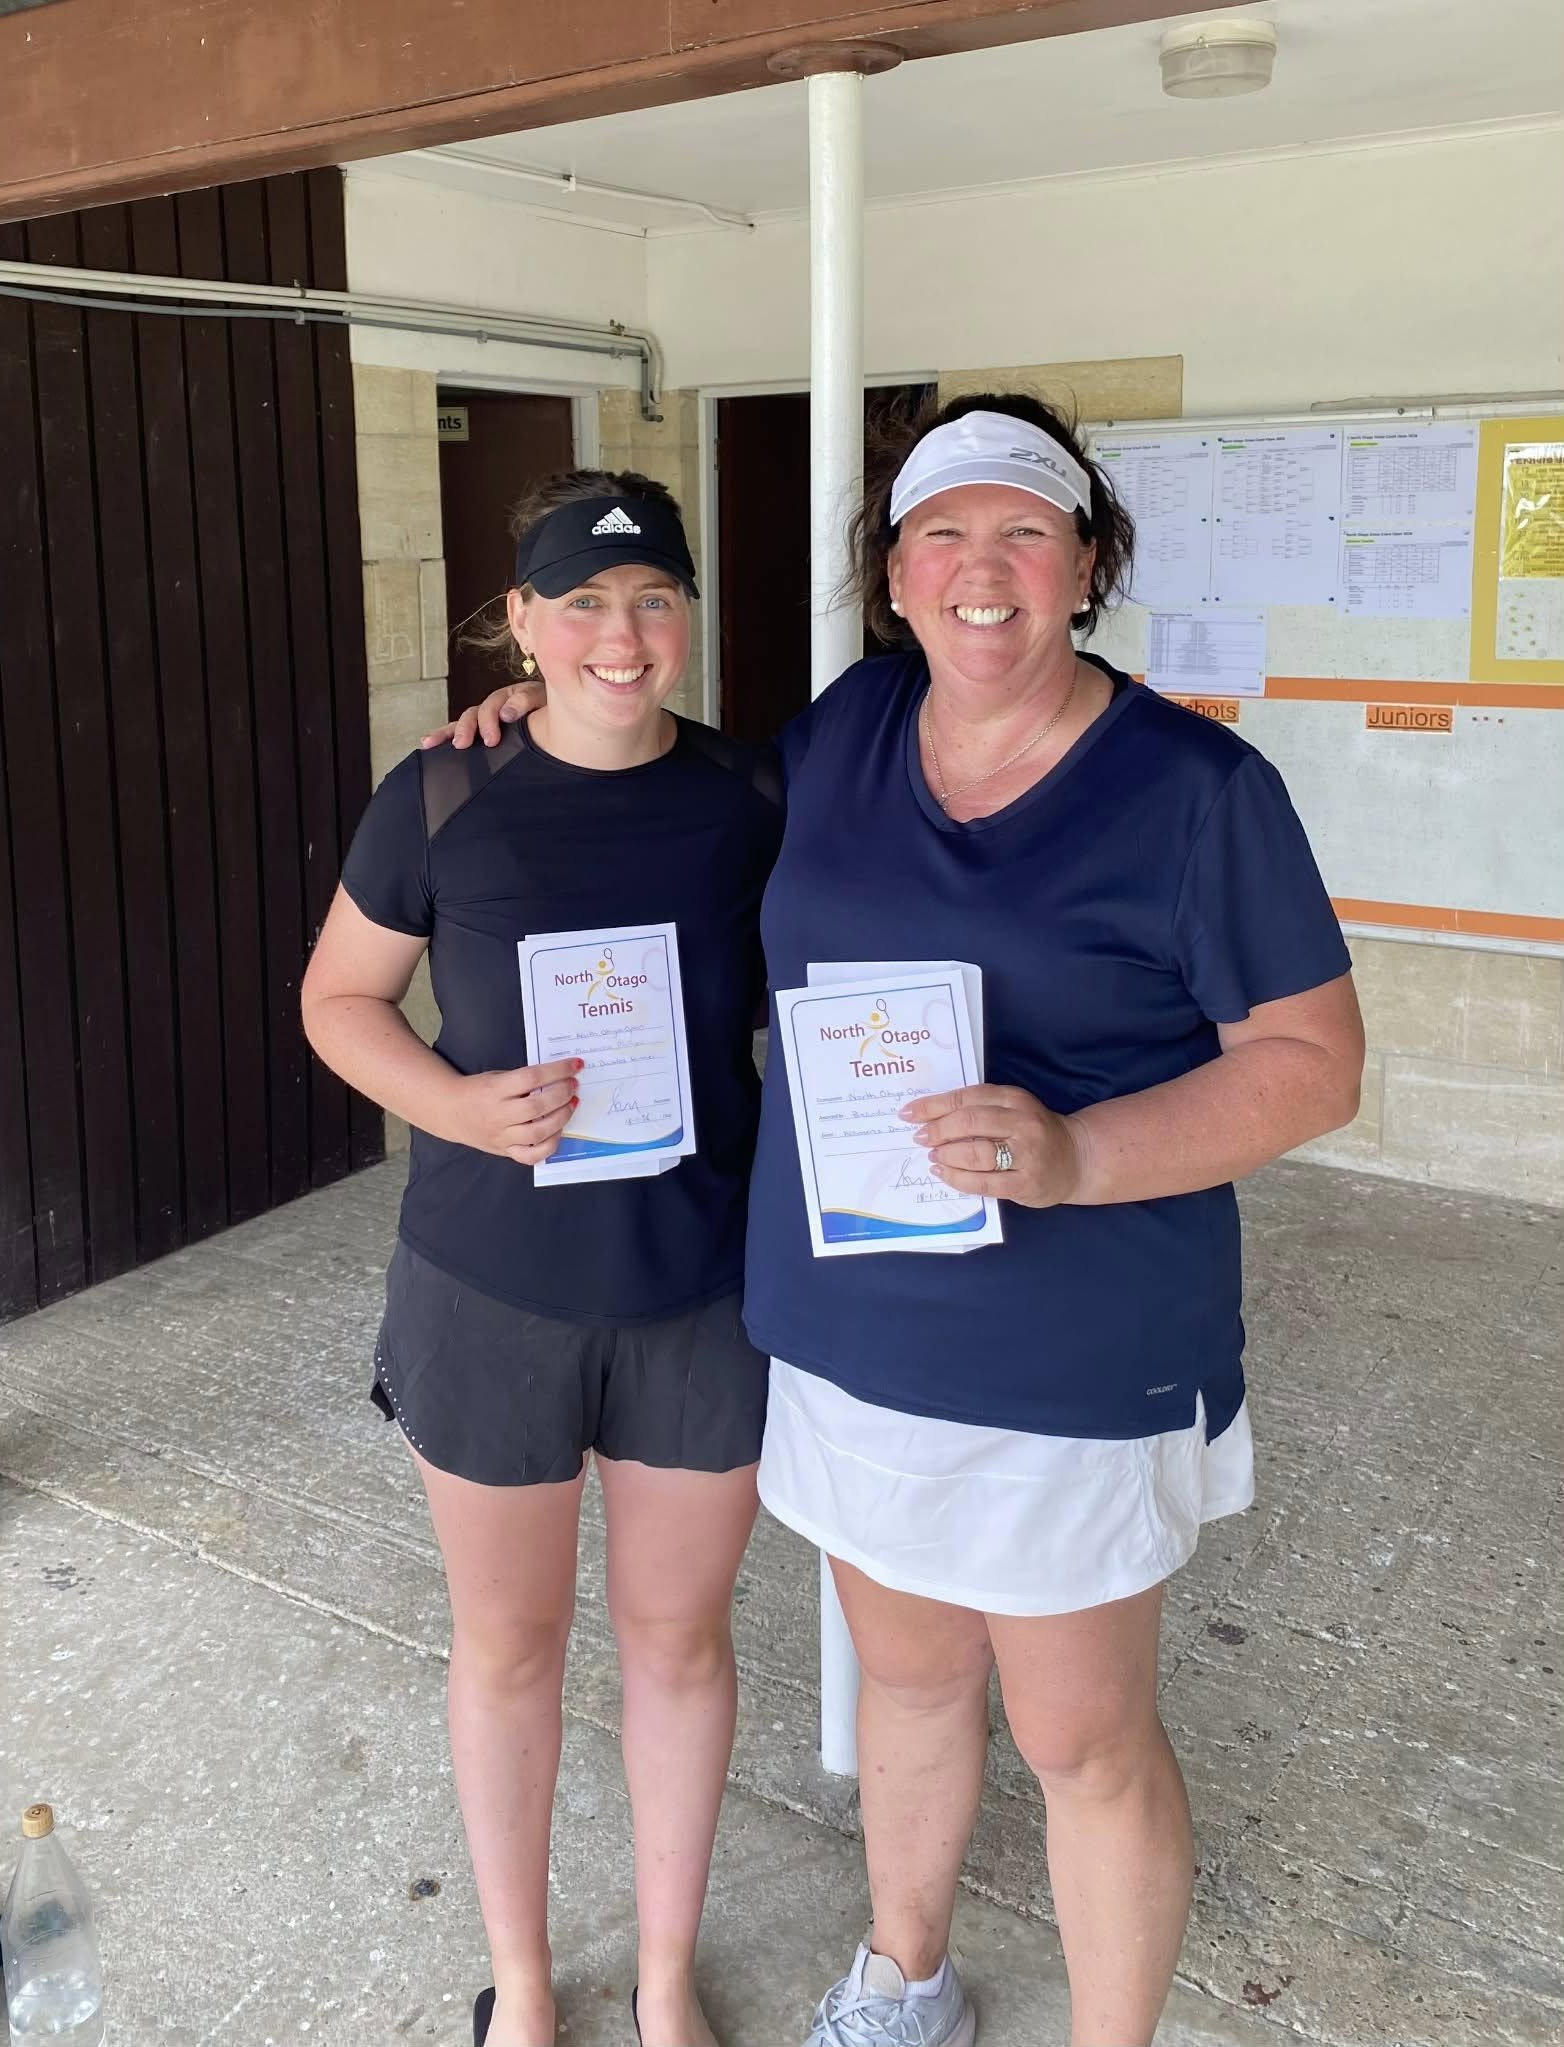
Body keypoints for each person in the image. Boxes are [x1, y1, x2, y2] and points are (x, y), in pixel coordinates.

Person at [436, 394, 1365, 2047]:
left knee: (1082, 1740)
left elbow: (1309, 1066)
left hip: (1076, 1353)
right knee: (915, 1679)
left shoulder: (1199, 789)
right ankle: (904, 1971)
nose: (982, 571)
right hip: (857, 1325)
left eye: (1024, 531)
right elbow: (670, 787)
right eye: (944, 534)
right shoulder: (852, 729)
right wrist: (554, 696)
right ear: (895, 575)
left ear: (1085, 565)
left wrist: (1075, 1154)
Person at [302, 469, 783, 2047]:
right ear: (521, 621)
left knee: (677, 1641)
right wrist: (453, 1101)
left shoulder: (751, 798)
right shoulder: (439, 799)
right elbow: (338, 1002)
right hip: (489, 1290)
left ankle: (661, 1974)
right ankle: (520, 1974)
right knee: (509, 1647)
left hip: (698, 1291)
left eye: (651, 600)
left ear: (691, 618)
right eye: (579, 604)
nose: (619, 637)